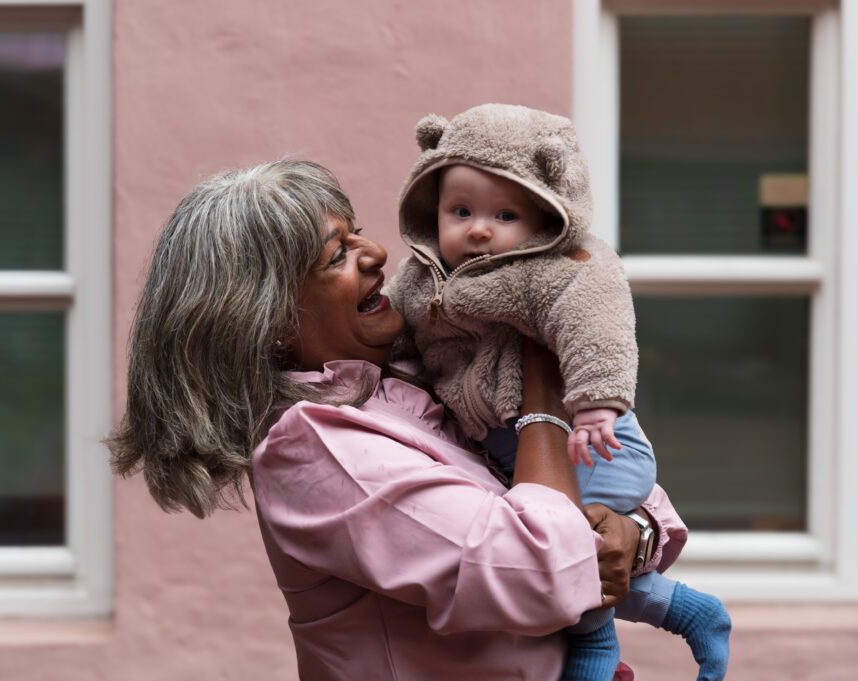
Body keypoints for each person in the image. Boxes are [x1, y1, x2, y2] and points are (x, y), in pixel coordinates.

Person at [107, 159, 690, 681]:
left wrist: (632, 534)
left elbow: (626, 503)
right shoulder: (314, 449)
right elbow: (542, 572)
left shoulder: (415, 379)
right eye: (337, 254)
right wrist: (542, 388)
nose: (376, 252)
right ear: (270, 319)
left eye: (356, 228)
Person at [388, 104, 731, 681]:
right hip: (513, 448)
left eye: (505, 214)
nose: (478, 228)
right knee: (582, 555)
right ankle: (693, 612)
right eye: (460, 211)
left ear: (546, 216)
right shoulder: (420, 278)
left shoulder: (556, 267)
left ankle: (596, 648)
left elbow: (596, 319)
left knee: (565, 548)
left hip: (593, 441)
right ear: (432, 210)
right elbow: (397, 328)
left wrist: (596, 398)